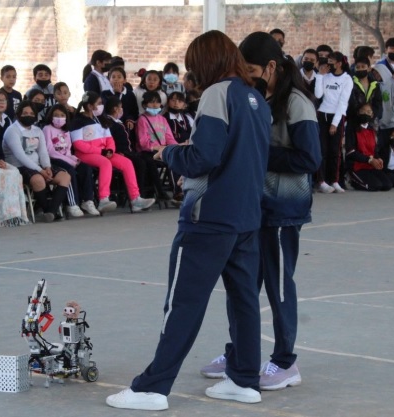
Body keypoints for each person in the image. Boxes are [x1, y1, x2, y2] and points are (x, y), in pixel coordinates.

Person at [106, 30, 271, 411]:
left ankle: (152, 387)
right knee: (244, 301)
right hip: (246, 216)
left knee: (183, 303)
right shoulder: (256, 100)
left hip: (208, 217)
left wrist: (169, 153)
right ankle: (244, 379)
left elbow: (204, 156)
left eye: (194, 66)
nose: (191, 74)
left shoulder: (218, 94)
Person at [198, 31, 320, 391]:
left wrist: (259, 151)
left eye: (251, 68)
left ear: (271, 66)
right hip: (250, 207)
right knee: (243, 286)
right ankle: (238, 353)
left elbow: (309, 158)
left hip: (283, 210)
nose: (245, 74)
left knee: (279, 287)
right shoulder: (250, 98)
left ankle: (285, 362)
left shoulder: (297, 102)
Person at [69, 91, 155, 213]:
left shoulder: (102, 120)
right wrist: (101, 151)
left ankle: (135, 199)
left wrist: (110, 150)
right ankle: (103, 199)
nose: (101, 105)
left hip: (104, 152)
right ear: (89, 106)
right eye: (99, 103)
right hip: (85, 154)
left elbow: (109, 139)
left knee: (127, 163)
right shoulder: (77, 121)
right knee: (105, 163)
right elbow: (78, 144)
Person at [2, 100, 71, 223]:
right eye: (25, 113)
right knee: (38, 180)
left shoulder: (37, 130)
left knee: (65, 177)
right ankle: (47, 210)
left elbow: (43, 152)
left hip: (38, 165)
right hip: (19, 166)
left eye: (31, 113)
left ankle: (51, 211)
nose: (28, 115)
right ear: (18, 114)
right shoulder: (12, 131)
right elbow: (20, 155)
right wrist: (40, 171)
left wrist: (47, 167)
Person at [42, 104, 97, 217]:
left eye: (62, 115)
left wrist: (74, 159)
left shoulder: (66, 131)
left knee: (85, 167)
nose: (59, 117)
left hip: (66, 158)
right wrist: (69, 161)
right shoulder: (47, 129)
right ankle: (72, 204)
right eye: (56, 115)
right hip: (54, 159)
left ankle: (87, 200)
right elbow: (50, 150)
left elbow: (68, 150)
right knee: (70, 171)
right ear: (51, 116)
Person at [314, 51, 353, 193]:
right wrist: (320, 76)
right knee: (322, 149)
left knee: (335, 151)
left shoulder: (347, 79)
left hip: (337, 116)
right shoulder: (325, 76)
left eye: (332, 61)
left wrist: (335, 123)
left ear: (339, 63)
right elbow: (318, 94)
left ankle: (335, 180)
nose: (329, 63)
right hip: (323, 114)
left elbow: (343, 102)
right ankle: (321, 180)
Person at [137, 91, 178, 200]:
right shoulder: (142, 119)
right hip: (149, 151)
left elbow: (169, 137)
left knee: (177, 159)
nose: (155, 105)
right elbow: (143, 142)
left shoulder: (163, 119)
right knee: (156, 163)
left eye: (157, 102)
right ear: (145, 105)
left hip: (163, 150)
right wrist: (157, 148)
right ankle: (161, 191)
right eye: (151, 102)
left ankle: (178, 190)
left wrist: (176, 147)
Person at [346, 103, 392, 191]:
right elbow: (351, 152)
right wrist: (369, 160)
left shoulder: (371, 130)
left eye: (368, 112)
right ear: (358, 112)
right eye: (363, 111)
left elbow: (374, 149)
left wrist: (378, 158)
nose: (365, 114)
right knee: (375, 186)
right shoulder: (351, 128)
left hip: (370, 165)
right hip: (357, 166)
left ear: (372, 115)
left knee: (387, 185)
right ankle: (352, 180)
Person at [373, 62, 394, 146]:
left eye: (377, 72)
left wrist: (393, 115)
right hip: (384, 124)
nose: (376, 75)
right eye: (374, 73)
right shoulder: (377, 86)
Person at [102, 67, 139, 132]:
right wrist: (116, 94)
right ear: (109, 80)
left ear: (124, 80)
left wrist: (130, 119)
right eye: (113, 77)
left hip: (125, 126)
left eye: (119, 77)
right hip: (110, 126)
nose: (116, 79)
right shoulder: (105, 94)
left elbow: (134, 111)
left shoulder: (129, 94)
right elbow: (106, 110)